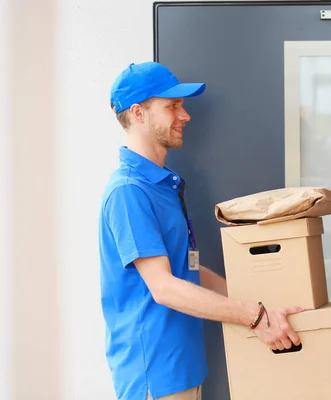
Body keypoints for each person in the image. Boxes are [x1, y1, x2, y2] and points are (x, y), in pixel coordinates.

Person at [99, 61, 303, 400]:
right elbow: (163, 287)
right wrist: (254, 317)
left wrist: (264, 306)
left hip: (184, 368)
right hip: (155, 376)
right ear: (138, 113)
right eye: (172, 106)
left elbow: (190, 270)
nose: (186, 115)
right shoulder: (128, 192)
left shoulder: (164, 186)